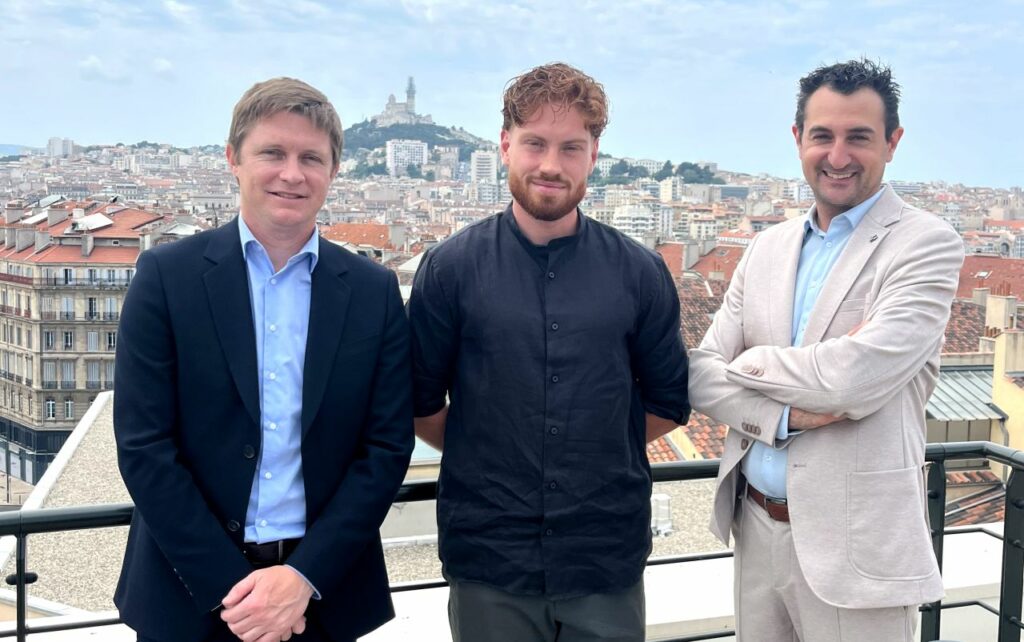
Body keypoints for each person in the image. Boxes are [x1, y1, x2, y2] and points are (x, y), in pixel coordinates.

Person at [113, 77, 413, 642]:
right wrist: (236, 591)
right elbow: (143, 446)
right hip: (190, 597)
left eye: (311, 158)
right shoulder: (166, 278)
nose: (292, 174)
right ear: (234, 159)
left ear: (333, 170)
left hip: (323, 598)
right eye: (273, 152)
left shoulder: (373, 291)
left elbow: (386, 449)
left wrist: (303, 577)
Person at [408, 62, 690, 642]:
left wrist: (592, 445)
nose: (551, 165)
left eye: (571, 147)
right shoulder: (450, 269)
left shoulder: (640, 272)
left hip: (604, 553)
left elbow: (668, 401)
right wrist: (493, 449)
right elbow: (418, 402)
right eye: (535, 143)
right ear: (506, 145)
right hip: (490, 555)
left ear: (593, 155)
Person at [688, 59, 964, 641]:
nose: (838, 156)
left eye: (858, 136)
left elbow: (850, 381)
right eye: (823, 136)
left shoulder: (926, 244)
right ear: (798, 140)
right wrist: (782, 415)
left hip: (857, 550)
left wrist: (746, 365)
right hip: (754, 528)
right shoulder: (765, 247)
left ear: (892, 142)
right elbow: (699, 376)